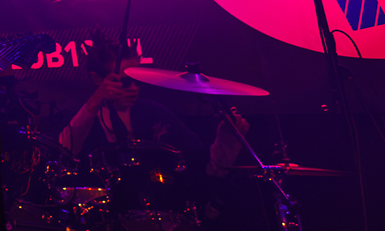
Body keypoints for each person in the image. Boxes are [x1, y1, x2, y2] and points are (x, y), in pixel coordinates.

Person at [57, 42, 247, 174]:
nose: (134, 88)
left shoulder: (154, 112)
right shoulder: (82, 115)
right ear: (98, 79)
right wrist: (95, 101)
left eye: (138, 81)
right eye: (125, 82)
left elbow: (204, 165)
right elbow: (63, 153)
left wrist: (227, 140)